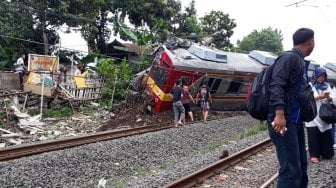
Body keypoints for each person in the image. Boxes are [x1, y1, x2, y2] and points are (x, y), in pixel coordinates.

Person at [268, 28, 315, 187]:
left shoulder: (300, 61)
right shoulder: (289, 57)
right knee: (290, 171)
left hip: (295, 121)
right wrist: (279, 114)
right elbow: (276, 85)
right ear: (311, 42)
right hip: (284, 120)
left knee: (301, 167)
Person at [306, 67, 335, 163]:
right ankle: (314, 155)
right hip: (313, 115)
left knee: (326, 136)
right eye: (319, 76)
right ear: (315, 76)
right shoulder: (310, 85)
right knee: (313, 135)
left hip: (326, 115)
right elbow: (307, 99)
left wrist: (329, 98)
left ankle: (326, 153)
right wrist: (320, 97)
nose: (321, 78)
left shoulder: (329, 86)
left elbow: (334, 99)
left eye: (323, 76)